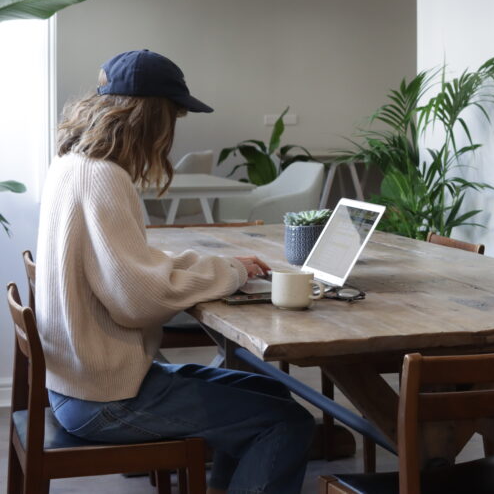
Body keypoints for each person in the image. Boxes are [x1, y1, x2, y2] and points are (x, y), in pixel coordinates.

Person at [36, 49, 314, 494]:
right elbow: (138, 299)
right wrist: (229, 275)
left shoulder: (72, 165)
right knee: (286, 422)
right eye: (174, 117)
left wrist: (221, 267)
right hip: (105, 398)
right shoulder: (104, 177)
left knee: (271, 393)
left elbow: (127, 266)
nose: (173, 131)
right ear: (153, 117)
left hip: (83, 382)